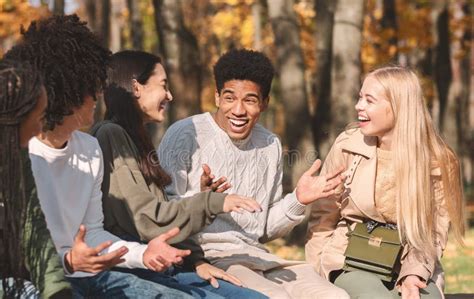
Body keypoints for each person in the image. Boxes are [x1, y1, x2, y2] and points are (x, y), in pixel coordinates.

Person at [6, 14, 194, 298]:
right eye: (90, 86)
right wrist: (68, 263)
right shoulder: (19, 157)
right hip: (33, 280)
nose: (98, 94)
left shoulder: (90, 150)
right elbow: (25, 255)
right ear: (65, 92)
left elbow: (93, 232)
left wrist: (143, 254)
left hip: (90, 275)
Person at [157, 48, 349, 298]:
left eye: (249, 100)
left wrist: (298, 200)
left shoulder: (270, 144)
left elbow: (264, 229)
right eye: (229, 98)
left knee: (335, 296)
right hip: (207, 257)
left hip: (258, 257)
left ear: (265, 103)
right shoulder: (185, 134)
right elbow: (162, 214)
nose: (238, 110)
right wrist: (204, 200)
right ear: (216, 97)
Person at [90, 50, 266, 299]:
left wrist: (196, 261)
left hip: (169, 263)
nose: (169, 95)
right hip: (139, 266)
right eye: (163, 85)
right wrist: (214, 202)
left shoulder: (135, 138)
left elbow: (161, 211)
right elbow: (147, 219)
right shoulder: (110, 135)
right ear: (135, 87)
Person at [305, 66, 465, 298]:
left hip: (411, 262)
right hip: (348, 261)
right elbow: (323, 217)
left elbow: (433, 232)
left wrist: (414, 275)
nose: (359, 106)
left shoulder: (438, 160)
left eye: (369, 100)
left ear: (399, 106)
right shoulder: (347, 146)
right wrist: (317, 271)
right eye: (360, 98)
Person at [0, 59, 58, 298]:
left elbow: (33, 226)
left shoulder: (17, 160)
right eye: (39, 116)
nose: (41, 127)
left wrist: (57, 290)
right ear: (17, 116)